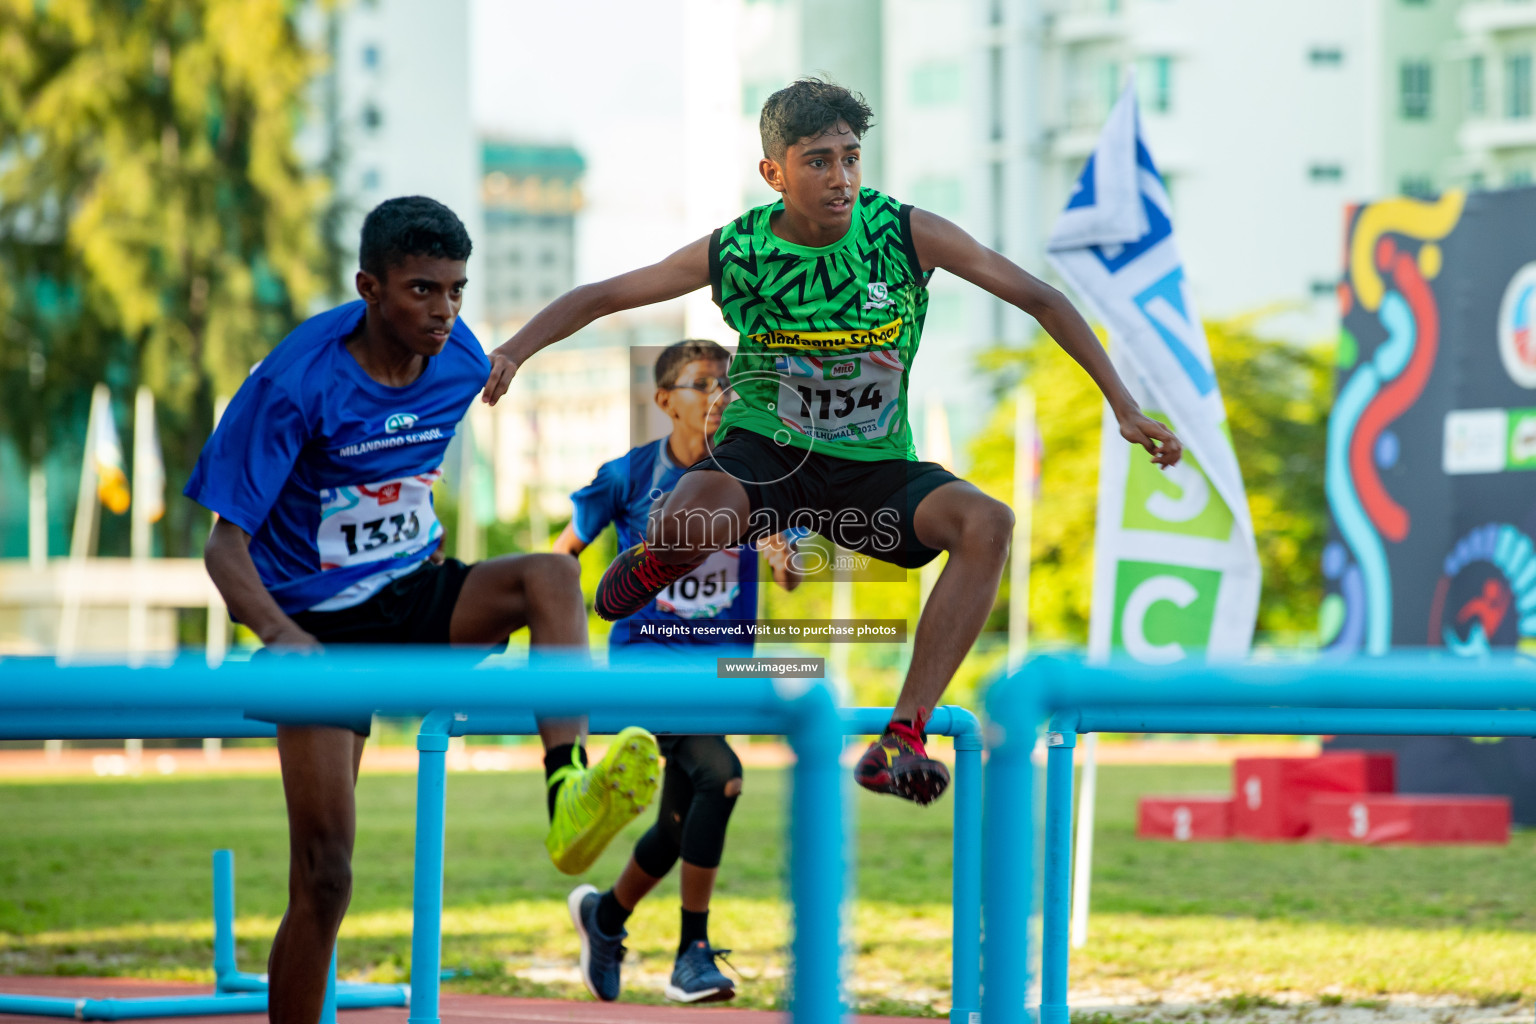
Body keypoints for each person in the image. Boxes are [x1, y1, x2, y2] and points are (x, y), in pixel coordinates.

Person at [481, 79, 1182, 807]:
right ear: (774, 174)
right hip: (766, 449)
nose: (841, 178)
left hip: (871, 466)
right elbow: (604, 294)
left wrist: (1124, 407)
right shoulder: (741, 249)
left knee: (988, 523)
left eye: (851, 157)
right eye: (818, 161)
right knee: (697, 519)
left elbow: (1041, 297)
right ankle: (661, 553)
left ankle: (899, 737)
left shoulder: (906, 234)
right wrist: (516, 350)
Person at [184, 196, 659, 1024]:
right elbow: (224, 548)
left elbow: (591, 300)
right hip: (320, 636)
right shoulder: (296, 383)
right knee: (325, 876)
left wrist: (510, 355)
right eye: (421, 292)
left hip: (412, 597)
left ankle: (567, 796)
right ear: (369, 288)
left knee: (550, 576)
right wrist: (283, 635)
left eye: (457, 291)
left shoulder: (460, 356)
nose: (443, 313)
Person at [553, 338, 802, 1004]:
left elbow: (794, 571)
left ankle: (605, 919)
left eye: (727, 384)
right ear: (664, 401)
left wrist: (785, 557)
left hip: (718, 672)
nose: (719, 396)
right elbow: (560, 558)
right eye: (702, 384)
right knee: (720, 777)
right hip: (647, 664)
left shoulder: (761, 479)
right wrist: (555, 633)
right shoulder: (628, 476)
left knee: (678, 821)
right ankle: (692, 953)